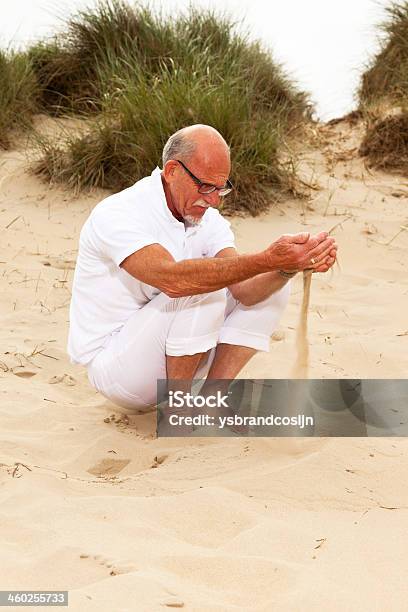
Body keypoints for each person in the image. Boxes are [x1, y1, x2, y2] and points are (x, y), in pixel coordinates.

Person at [67, 124, 337, 415]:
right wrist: (267, 259)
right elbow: (172, 279)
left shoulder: (206, 218)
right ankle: (179, 413)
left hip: (171, 353)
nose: (214, 200)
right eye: (206, 186)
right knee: (200, 289)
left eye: (221, 188)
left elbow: (245, 290)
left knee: (273, 288)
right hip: (117, 369)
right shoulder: (120, 212)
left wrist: (285, 267)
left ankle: (209, 403)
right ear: (171, 171)